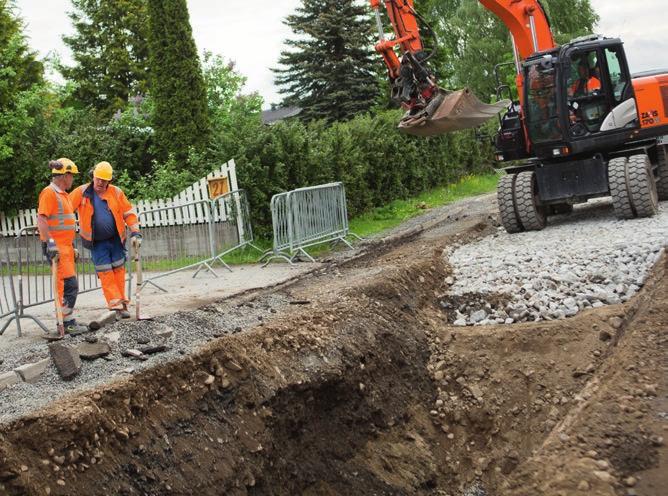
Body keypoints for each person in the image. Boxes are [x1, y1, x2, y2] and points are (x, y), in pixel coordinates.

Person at [69, 161, 142, 317]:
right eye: (98, 179)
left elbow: (128, 213)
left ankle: (122, 303)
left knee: (119, 271)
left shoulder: (116, 192)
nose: (100, 183)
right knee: (106, 273)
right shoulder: (82, 192)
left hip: (116, 240)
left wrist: (135, 232)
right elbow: (66, 209)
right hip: (97, 242)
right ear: (93, 176)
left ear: (110, 181)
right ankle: (116, 306)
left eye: (104, 180)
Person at [37, 159, 89, 334]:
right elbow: (42, 219)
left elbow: (65, 225)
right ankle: (66, 322)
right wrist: (49, 243)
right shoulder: (49, 193)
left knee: (69, 286)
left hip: (65, 247)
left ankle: (67, 319)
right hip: (56, 248)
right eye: (72, 176)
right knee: (68, 286)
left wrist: (71, 245)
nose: (73, 179)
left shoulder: (63, 195)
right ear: (65, 176)